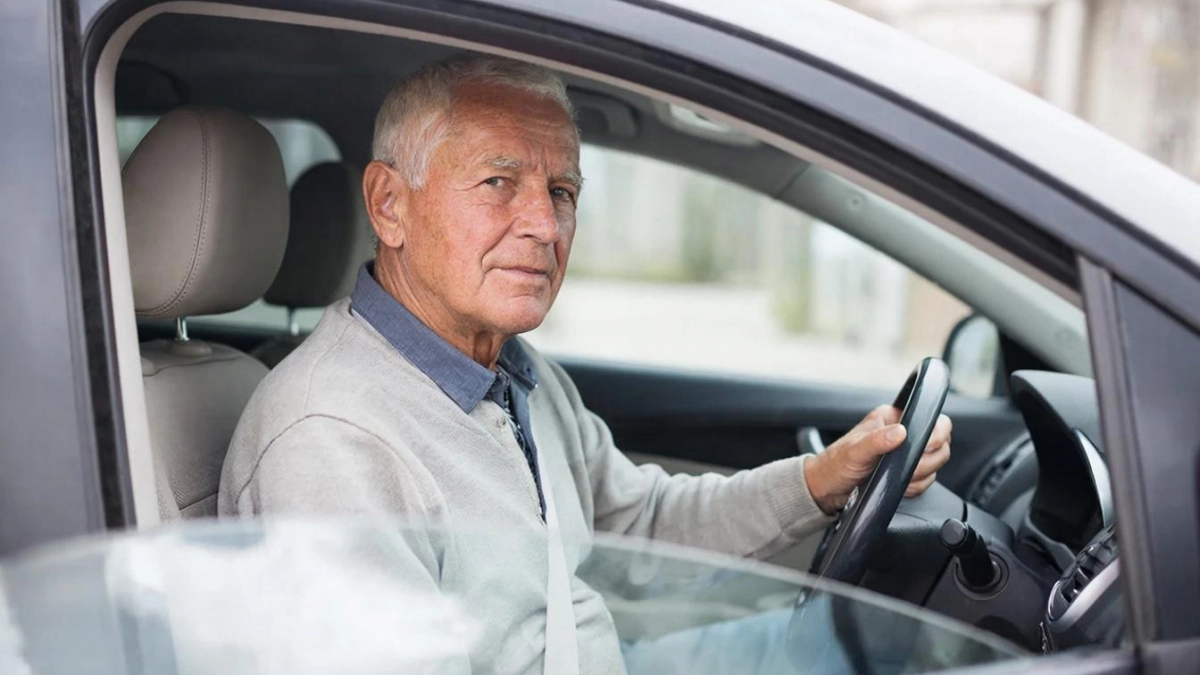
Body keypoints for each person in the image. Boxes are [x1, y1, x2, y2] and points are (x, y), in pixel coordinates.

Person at [219, 54, 951, 675]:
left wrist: (822, 480)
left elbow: (639, 525)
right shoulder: (329, 440)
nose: (545, 225)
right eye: (498, 182)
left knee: (876, 649)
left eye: (561, 191)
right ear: (389, 205)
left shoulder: (513, 373)